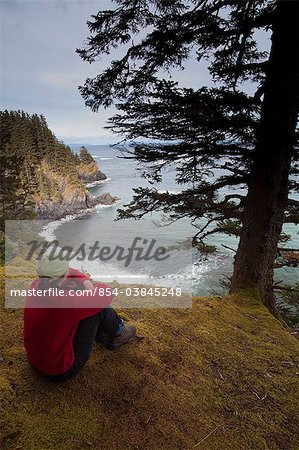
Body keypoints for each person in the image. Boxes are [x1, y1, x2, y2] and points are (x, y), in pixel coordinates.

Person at [23, 250, 136, 381]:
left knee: (84, 301)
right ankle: (118, 333)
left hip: (36, 360)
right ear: (63, 276)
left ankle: (106, 333)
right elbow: (107, 293)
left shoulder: (35, 285)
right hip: (60, 371)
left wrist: (84, 281)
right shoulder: (67, 302)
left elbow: (68, 272)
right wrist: (91, 285)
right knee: (100, 309)